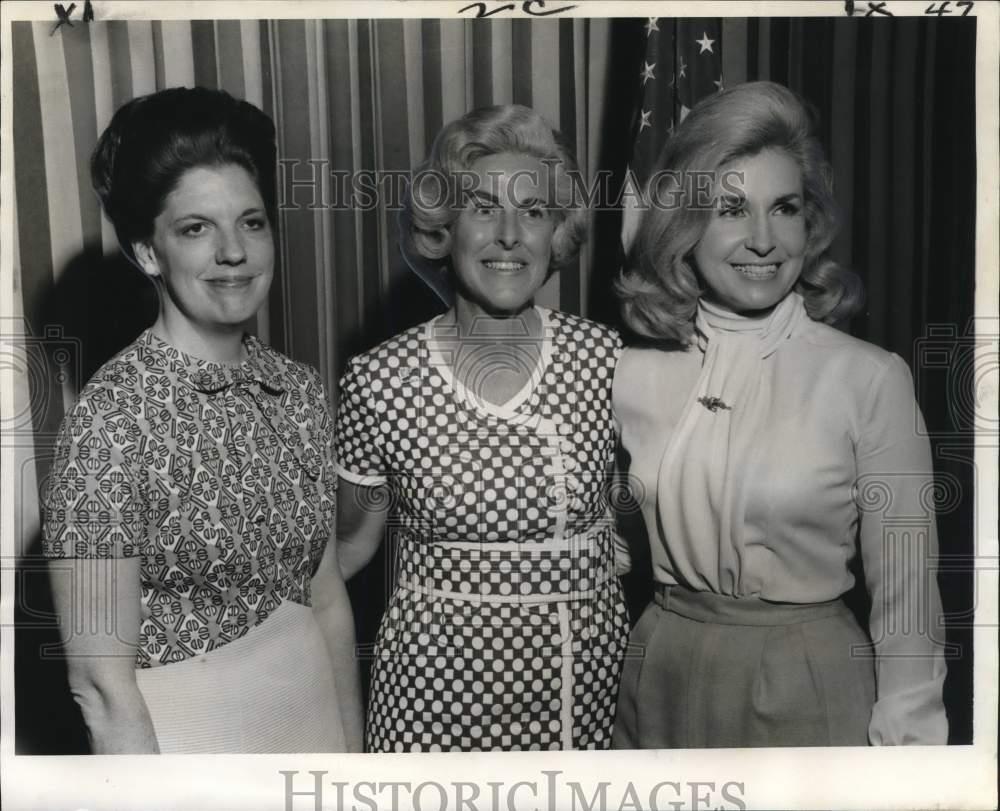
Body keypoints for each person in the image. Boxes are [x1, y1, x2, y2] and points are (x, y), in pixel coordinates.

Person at [612, 81, 948, 748]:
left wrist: (912, 762)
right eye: (731, 209)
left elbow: (908, 598)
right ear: (686, 226)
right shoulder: (630, 372)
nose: (763, 240)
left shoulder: (869, 377)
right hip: (658, 675)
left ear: (809, 223)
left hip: (809, 684)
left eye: (784, 208)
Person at [41, 87, 361, 754]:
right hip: (190, 759)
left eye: (251, 222)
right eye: (196, 228)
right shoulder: (110, 423)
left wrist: (352, 771)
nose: (233, 252)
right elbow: (101, 689)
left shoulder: (298, 391)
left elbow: (327, 598)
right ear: (148, 253)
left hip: (312, 742)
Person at [334, 104, 628, 752]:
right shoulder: (379, 378)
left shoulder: (607, 360)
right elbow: (343, 553)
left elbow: (646, 525)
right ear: (443, 227)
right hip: (431, 697)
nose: (508, 235)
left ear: (556, 233)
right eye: (482, 207)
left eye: (532, 212)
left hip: (582, 690)